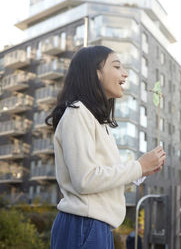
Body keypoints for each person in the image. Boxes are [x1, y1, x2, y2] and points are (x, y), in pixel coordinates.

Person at [47, 46, 166, 249]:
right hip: (84, 225)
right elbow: (85, 180)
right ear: (96, 73)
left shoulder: (97, 121)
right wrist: (137, 166)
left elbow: (99, 181)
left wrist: (141, 172)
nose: (125, 73)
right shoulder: (77, 113)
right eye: (117, 66)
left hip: (94, 226)